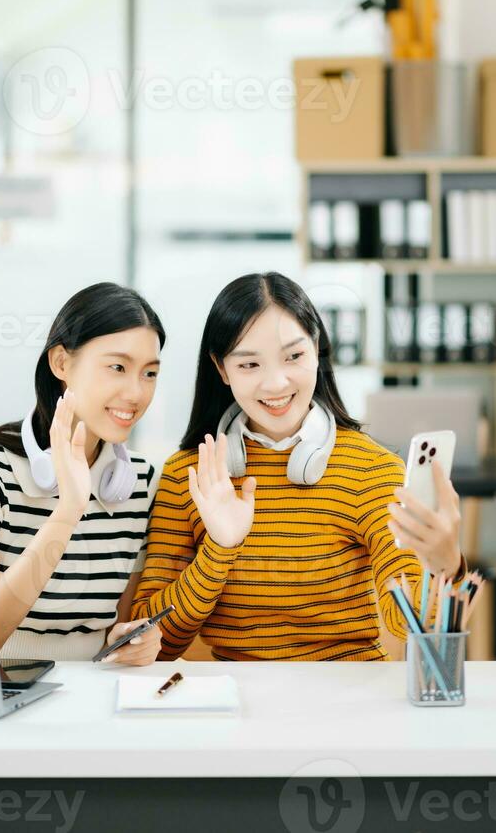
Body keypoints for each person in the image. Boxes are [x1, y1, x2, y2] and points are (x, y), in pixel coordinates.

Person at [132, 271, 466, 661]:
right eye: (249, 365)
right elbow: (156, 642)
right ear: (221, 370)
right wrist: (219, 549)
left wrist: (443, 565)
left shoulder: (371, 470)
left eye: (294, 356)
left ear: (317, 350)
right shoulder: (189, 475)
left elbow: (409, 627)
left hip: (347, 704)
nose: (276, 384)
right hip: (240, 707)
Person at [0, 282, 164, 664]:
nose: (136, 393)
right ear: (61, 363)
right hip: (0, 681)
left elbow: (119, 625)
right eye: (117, 367)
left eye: (150, 373)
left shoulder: (139, 481)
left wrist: (135, 641)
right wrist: (68, 510)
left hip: (97, 689)